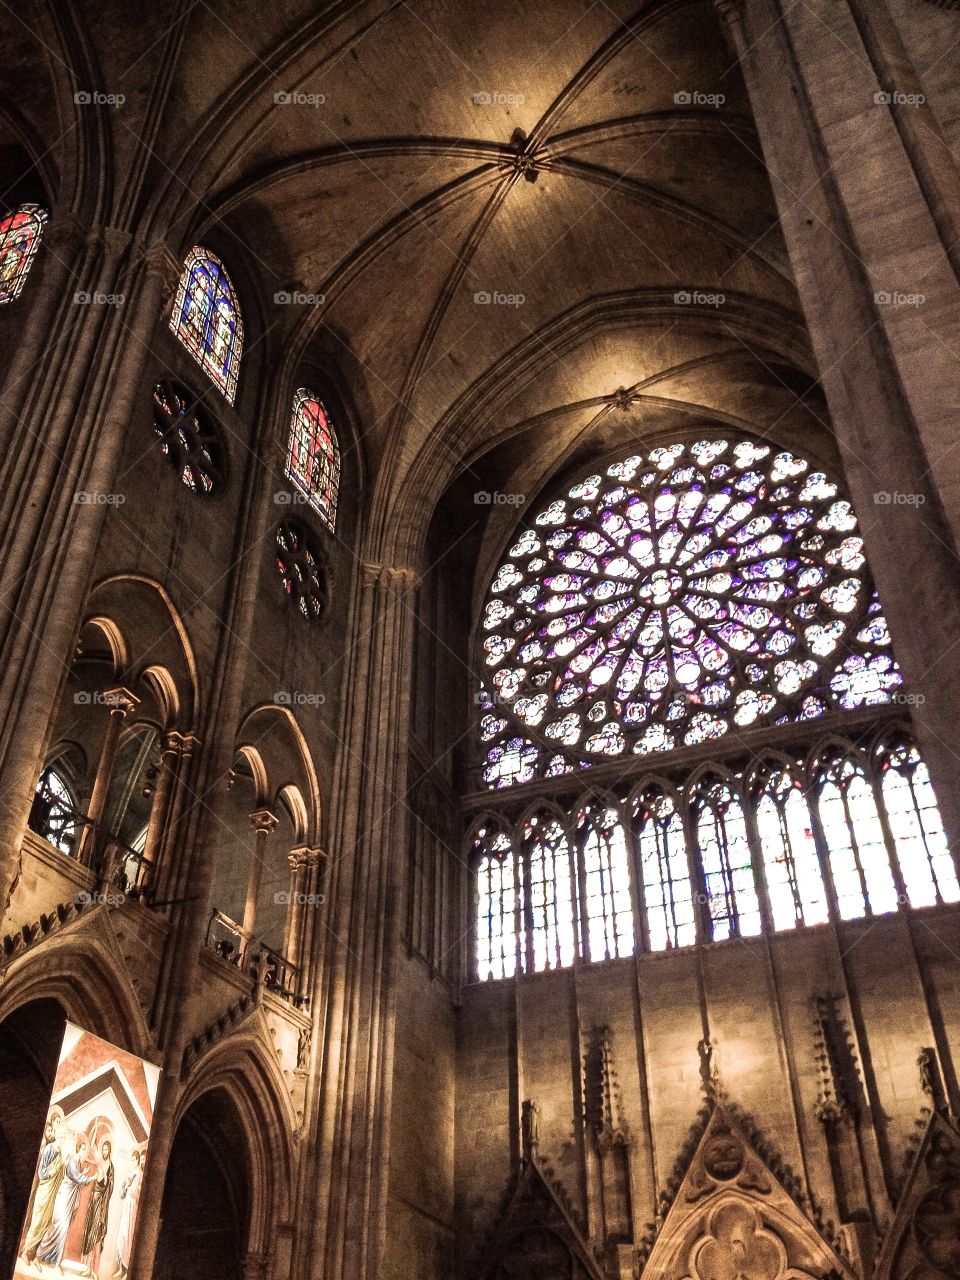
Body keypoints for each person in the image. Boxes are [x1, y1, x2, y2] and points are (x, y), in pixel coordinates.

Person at [35, 1134, 95, 1271]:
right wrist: (92, 1177)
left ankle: (55, 1261)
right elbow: (77, 1178)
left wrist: (84, 1173)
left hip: (69, 1198)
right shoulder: (73, 1161)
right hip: (64, 1197)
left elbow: (78, 1177)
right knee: (57, 1227)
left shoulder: (79, 1163)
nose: (86, 1153)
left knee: (62, 1229)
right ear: (79, 1149)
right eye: (84, 1150)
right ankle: (40, 1256)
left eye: (87, 1150)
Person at [20, 1109, 66, 1266]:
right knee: (37, 1221)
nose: (61, 1138)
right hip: (44, 1192)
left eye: (63, 1136)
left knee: (45, 1223)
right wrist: (55, 1169)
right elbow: (42, 1172)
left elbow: (61, 1177)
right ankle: (26, 1252)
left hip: (52, 1195)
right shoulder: (49, 1149)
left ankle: (33, 1255)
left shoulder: (61, 1153)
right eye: (60, 1135)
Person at [80, 1139, 114, 1279]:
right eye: (103, 1149)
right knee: (89, 1234)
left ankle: (94, 1270)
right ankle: (88, 1268)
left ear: (109, 1151)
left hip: (101, 1204)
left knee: (97, 1236)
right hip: (94, 1202)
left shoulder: (110, 1167)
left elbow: (108, 1185)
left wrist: (104, 1174)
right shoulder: (100, 1163)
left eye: (107, 1149)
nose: (105, 1152)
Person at [113, 1146, 143, 1278]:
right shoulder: (130, 1174)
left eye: (134, 1160)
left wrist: (129, 1189)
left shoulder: (139, 1174)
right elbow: (122, 1192)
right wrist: (124, 1188)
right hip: (127, 1206)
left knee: (128, 1236)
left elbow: (136, 1192)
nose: (132, 1162)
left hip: (133, 1207)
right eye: (131, 1160)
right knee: (121, 1236)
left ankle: (127, 1269)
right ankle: (121, 1267)